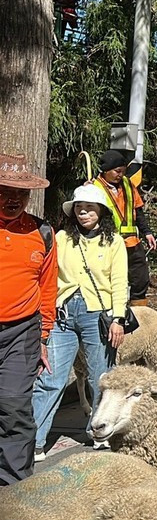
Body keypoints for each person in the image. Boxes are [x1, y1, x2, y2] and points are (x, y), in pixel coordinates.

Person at [32, 185, 128, 461]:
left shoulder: (113, 242)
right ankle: (35, 439)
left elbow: (120, 282)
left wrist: (118, 318)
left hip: (97, 314)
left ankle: (99, 432)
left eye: (89, 207)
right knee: (50, 377)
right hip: (62, 312)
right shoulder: (62, 238)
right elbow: (48, 274)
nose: (84, 212)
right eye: (79, 207)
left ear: (101, 211)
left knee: (102, 376)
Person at [0, 154, 57, 485]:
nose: (13, 200)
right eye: (5, 192)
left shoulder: (42, 233)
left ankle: (13, 493)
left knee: (15, 408)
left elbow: (47, 289)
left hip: (22, 332)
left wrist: (44, 338)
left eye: (21, 194)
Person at [91, 150, 156, 307]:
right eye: (117, 171)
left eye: (123, 171)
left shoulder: (128, 185)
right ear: (106, 171)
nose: (120, 175)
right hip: (108, 242)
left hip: (131, 241)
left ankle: (139, 313)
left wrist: (147, 232)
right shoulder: (94, 188)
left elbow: (138, 211)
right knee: (111, 277)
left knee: (140, 277)